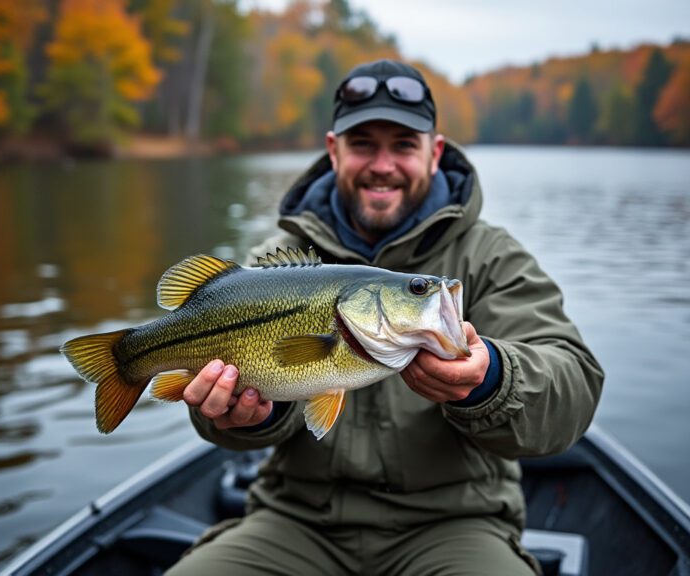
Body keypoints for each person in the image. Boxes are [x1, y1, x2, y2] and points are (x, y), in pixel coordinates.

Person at [165, 59, 604, 576]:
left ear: (434, 153)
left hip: (454, 524)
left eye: (403, 144)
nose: (382, 164)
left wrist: (492, 379)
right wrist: (247, 416)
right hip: (296, 520)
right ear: (333, 151)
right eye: (363, 144)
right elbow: (225, 402)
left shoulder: (490, 258)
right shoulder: (275, 261)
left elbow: (573, 383)